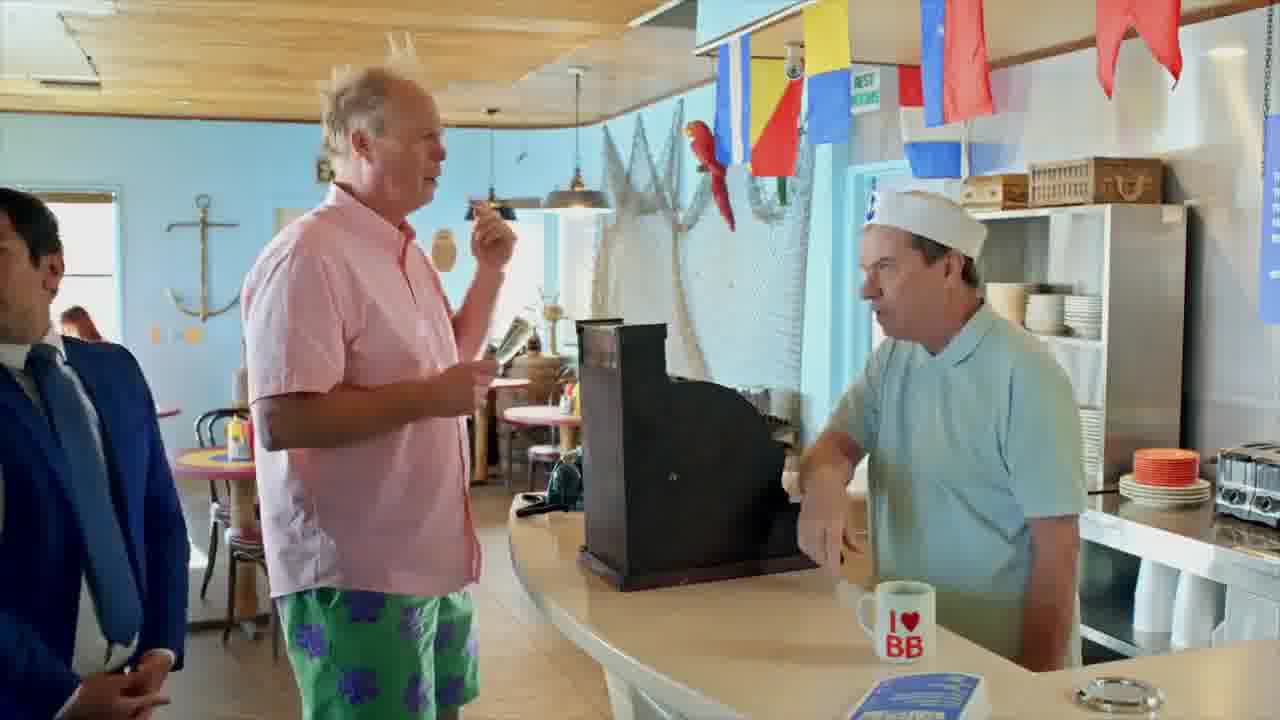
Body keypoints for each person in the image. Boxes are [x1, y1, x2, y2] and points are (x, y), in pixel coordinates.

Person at [241, 60, 513, 720]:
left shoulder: (402, 251)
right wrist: (431, 399)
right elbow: (282, 421)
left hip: (429, 552)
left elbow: (448, 360)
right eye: (426, 137)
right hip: (357, 566)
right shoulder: (309, 254)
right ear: (362, 142)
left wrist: (490, 271)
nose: (442, 152)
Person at [796, 190, 1085, 672]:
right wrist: (824, 483)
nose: (866, 290)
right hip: (911, 655)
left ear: (949, 268)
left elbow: (1059, 550)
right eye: (865, 270)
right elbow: (834, 446)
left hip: (999, 666)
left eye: (885, 268)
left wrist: (1032, 686)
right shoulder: (892, 359)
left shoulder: (1025, 375)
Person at [0, 187, 189, 718]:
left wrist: (162, 645)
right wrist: (63, 696)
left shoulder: (115, 371)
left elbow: (160, 515)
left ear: (51, 268)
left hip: (127, 682)